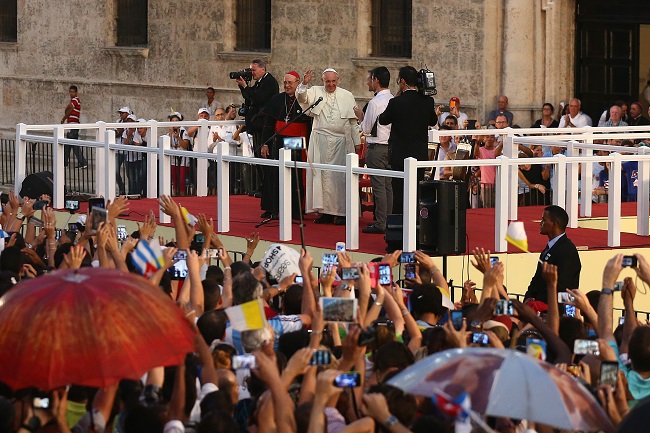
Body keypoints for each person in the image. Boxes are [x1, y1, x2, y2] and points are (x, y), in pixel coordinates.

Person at [297, 68, 360, 225]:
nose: (330, 84)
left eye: (333, 81)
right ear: (322, 81)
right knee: (322, 176)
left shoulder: (347, 95)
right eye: (327, 81)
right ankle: (325, 212)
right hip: (321, 141)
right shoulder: (316, 91)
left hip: (342, 143)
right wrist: (304, 83)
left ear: (338, 80)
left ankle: (343, 213)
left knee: (339, 178)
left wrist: (357, 142)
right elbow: (301, 97)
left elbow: (353, 122)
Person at [378, 66, 437, 213]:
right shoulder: (427, 101)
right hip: (419, 155)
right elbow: (433, 121)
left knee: (399, 193)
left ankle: (400, 227)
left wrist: (398, 98)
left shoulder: (396, 102)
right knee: (417, 191)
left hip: (400, 155)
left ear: (402, 81)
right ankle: (417, 226)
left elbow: (383, 120)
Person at [259, 71, 312, 220]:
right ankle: (273, 209)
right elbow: (268, 125)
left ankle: (295, 210)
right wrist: (265, 143)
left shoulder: (304, 100)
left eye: (290, 83)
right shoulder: (277, 99)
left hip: (297, 142)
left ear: (297, 83)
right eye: (285, 83)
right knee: (275, 174)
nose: (287, 86)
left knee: (294, 174)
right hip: (279, 140)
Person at [234, 59, 279, 199]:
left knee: (263, 156)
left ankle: (267, 187)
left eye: (253, 70)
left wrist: (246, 87)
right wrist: (243, 86)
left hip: (264, 125)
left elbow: (258, 99)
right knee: (258, 157)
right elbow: (249, 97)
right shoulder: (259, 82)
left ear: (263, 69)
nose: (251, 73)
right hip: (257, 126)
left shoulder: (269, 82)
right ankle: (263, 185)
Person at [359, 66, 393, 234]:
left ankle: (381, 223)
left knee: (379, 186)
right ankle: (389, 220)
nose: (367, 82)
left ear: (376, 80)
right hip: (391, 147)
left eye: (369, 79)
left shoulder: (374, 103)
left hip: (377, 146)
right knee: (388, 186)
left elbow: (366, 128)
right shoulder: (393, 99)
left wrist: (360, 116)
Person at [524, 205, 581, 304]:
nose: (541, 223)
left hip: (556, 311)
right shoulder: (549, 248)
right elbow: (537, 279)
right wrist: (529, 298)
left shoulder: (567, 250)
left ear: (554, 224)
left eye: (544, 220)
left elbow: (564, 287)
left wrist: (540, 302)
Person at [162, 112, 191, 196]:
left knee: (182, 180)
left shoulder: (183, 132)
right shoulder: (169, 134)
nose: (174, 122)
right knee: (174, 179)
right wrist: (171, 133)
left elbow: (185, 145)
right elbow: (170, 144)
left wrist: (178, 137)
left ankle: (182, 196)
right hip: (173, 159)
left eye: (176, 120)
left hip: (183, 159)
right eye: (172, 121)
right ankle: (175, 195)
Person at [61, 85, 87, 169]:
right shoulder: (74, 100)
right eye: (70, 92)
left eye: (73, 92)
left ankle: (82, 162)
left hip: (73, 124)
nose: (71, 93)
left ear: (76, 92)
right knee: (69, 144)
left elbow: (70, 108)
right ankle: (65, 162)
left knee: (73, 145)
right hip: (72, 125)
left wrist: (64, 118)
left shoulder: (76, 99)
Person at [114, 106, 132, 195]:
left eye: (123, 113)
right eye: (120, 113)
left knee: (129, 173)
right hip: (118, 150)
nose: (121, 115)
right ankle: (122, 188)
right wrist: (123, 126)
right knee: (115, 171)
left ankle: (131, 192)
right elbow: (117, 133)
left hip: (127, 151)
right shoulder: (118, 122)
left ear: (128, 114)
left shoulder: (132, 121)